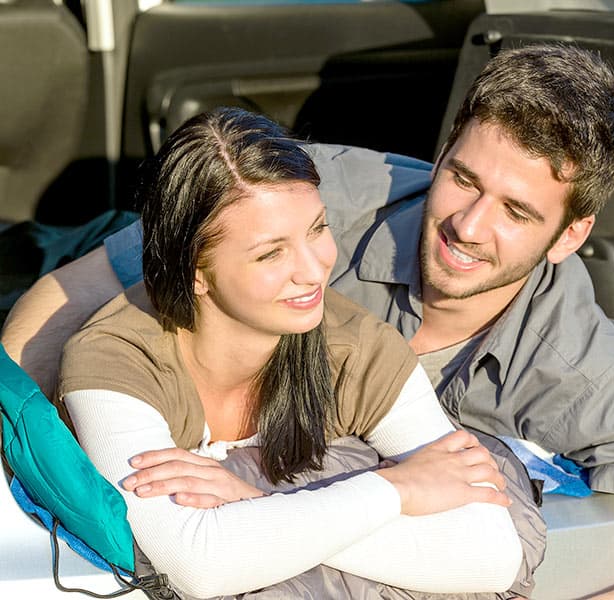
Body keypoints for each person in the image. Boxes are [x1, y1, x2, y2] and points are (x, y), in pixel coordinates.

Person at [2, 45, 614, 598]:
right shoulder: (329, 198)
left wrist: (258, 504)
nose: (467, 225)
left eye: (517, 211)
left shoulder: (591, 369)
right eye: (462, 177)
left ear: (571, 237)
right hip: (98, 259)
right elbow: (67, 302)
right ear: (443, 149)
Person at [51, 107, 529, 599]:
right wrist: (398, 489)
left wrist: (258, 503)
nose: (315, 268)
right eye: (271, 253)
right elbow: (196, 565)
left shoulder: (354, 347)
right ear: (195, 271)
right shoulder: (117, 356)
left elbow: (491, 556)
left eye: (318, 229)